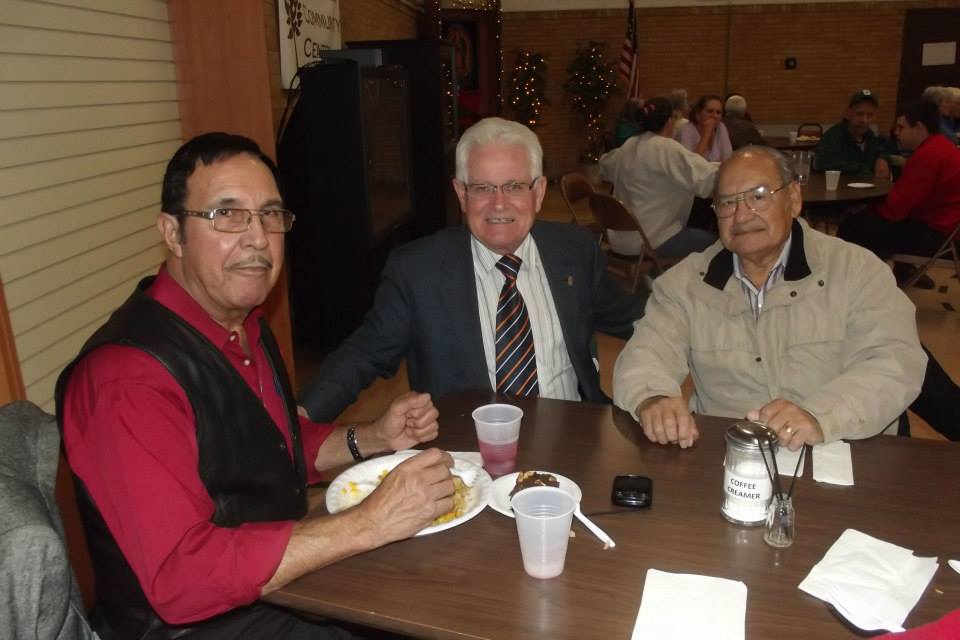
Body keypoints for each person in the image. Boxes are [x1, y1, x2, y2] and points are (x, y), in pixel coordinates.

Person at [57, 133, 455, 639]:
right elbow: (181, 579)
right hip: (200, 625)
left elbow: (265, 445)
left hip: (272, 589)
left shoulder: (242, 324)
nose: (257, 237)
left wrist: (372, 438)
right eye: (227, 215)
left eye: (270, 215)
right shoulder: (126, 380)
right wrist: (367, 524)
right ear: (172, 233)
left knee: (434, 588)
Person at [300, 117, 645, 422]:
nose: (499, 204)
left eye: (514, 186)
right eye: (482, 188)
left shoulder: (575, 251)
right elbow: (364, 354)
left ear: (538, 192)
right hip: (468, 452)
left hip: (572, 435)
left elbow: (634, 318)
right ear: (461, 194)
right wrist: (300, 420)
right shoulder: (417, 271)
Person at [613, 146, 927, 450]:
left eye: (758, 197)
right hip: (731, 459)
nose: (742, 215)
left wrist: (819, 416)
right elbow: (646, 355)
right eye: (727, 203)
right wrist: (653, 399)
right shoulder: (684, 285)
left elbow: (893, 362)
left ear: (793, 199)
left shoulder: (856, 271)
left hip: (842, 450)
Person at [837, 98, 960, 285]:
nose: (896, 133)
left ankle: (859, 285)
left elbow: (896, 210)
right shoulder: (941, 146)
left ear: (918, 127)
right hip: (947, 230)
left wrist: (866, 208)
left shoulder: (929, 156)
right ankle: (899, 273)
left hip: (936, 235)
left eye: (901, 128)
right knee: (865, 223)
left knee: (852, 226)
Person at [598, 97, 718, 259]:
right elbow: (707, 180)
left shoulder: (629, 145)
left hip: (619, 239)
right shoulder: (666, 148)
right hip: (651, 241)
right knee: (718, 243)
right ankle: (663, 277)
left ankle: (657, 275)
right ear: (670, 121)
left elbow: (604, 165)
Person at [815, 89, 891, 178]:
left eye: (869, 115)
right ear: (848, 113)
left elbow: (880, 151)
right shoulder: (833, 136)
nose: (864, 120)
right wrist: (860, 168)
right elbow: (822, 163)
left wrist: (882, 159)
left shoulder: (870, 136)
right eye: (859, 114)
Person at [678, 94, 733, 162]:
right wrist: (706, 134)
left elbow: (728, 159)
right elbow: (692, 163)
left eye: (718, 112)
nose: (714, 116)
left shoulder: (721, 127)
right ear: (698, 115)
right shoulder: (686, 129)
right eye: (710, 111)